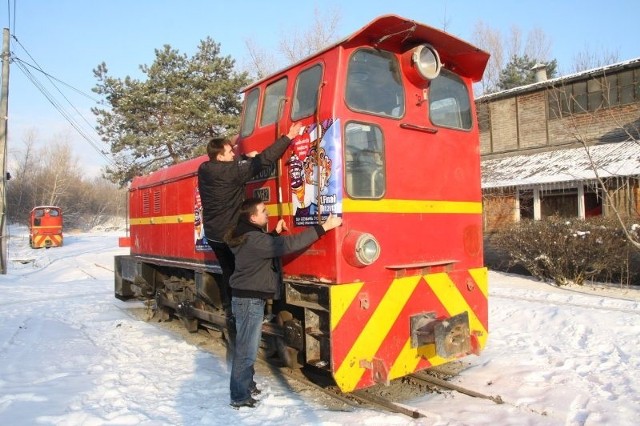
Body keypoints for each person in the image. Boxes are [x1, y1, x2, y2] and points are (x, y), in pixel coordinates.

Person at [224, 197, 342, 408]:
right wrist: (324, 227)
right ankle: (239, 397)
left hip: (247, 299)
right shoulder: (253, 239)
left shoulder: (247, 236)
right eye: (263, 211)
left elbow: (264, 247)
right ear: (252, 217)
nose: (267, 214)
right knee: (246, 350)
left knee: (246, 347)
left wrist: (274, 233)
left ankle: (247, 386)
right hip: (249, 301)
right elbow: (289, 244)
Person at [197, 122, 303, 325]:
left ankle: (232, 310)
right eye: (229, 153)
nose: (233, 156)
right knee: (245, 273)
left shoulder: (204, 168)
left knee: (229, 272)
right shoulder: (232, 171)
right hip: (228, 234)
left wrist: (244, 159)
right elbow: (264, 161)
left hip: (212, 234)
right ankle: (245, 316)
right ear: (220, 157)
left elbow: (229, 168)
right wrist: (288, 137)